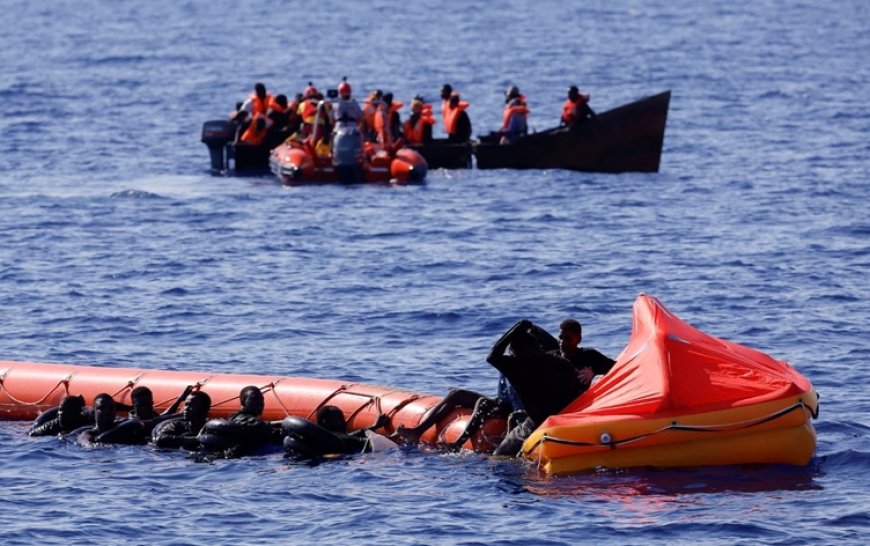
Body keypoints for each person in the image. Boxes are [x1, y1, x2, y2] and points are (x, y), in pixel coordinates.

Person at [486, 319, 583, 456]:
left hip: (537, 424)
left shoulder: (517, 368)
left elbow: (492, 356)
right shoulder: (561, 363)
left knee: (497, 456)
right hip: (568, 416)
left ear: (515, 355)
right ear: (538, 347)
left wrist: (517, 328)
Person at [283, 406, 393, 458]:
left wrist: (374, 426)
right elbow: (357, 440)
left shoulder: (330, 438)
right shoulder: (336, 438)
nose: (344, 422)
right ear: (325, 422)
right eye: (339, 419)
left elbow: (350, 436)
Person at [552, 318, 615, 389]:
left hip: (584, 398)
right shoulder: (552, 358)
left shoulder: (589, 356)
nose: (562, 342)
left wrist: (594, 372)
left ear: (579, 340)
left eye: (568, 339)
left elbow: (616, 368)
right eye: (561, 338)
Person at [28, 394, 93, 437]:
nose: (60, 413)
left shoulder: (88, 419)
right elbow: (33, 434)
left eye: (66, 411)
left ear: (76, 412)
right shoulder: (53, 424)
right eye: (60, 410)